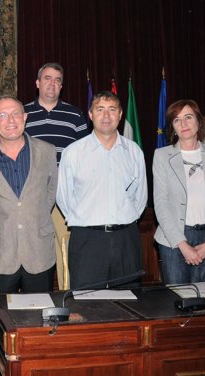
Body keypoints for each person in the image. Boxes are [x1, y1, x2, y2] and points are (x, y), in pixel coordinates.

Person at [57, 91, 147, 289]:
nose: (106, 116)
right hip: (88, 240)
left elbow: (140, 198)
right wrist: (87, 220)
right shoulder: (73, 153)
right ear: (90, 115)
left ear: (120, 114)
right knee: (87, 305)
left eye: (112, 109)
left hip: (126, 240)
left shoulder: (134, 152)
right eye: (100, 109)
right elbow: (63, 198)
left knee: (129, 304)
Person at [0, 96, 59, 293]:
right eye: (2, 116)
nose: (10, 121)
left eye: (15, 114)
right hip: (2, 253)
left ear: (25, 117)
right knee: (3, 317)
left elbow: (50, 194)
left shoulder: (47, 151)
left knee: (40, 316)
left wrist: (33, 215)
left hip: (39, 250)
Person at [24, 62, 88, 290]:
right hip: (33, 195)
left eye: (58, 80)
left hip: (66, 194)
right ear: (37, 83)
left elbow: (86, 155)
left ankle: (66, 299)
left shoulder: (75, 115)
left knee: (65, 249)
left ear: (62, 86)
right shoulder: (22, 115)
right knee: (34, 250)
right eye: (48, 78)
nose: (53, 83)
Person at [153, 99, 205, 284]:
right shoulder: (162, 156)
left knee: (204, 300)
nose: (183, 124)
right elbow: (161, 205)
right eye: (177, 120)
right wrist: (183, 245)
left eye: (188, 117)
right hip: (173, 239)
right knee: (177, 301)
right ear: (172, 126)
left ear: (198, 121)